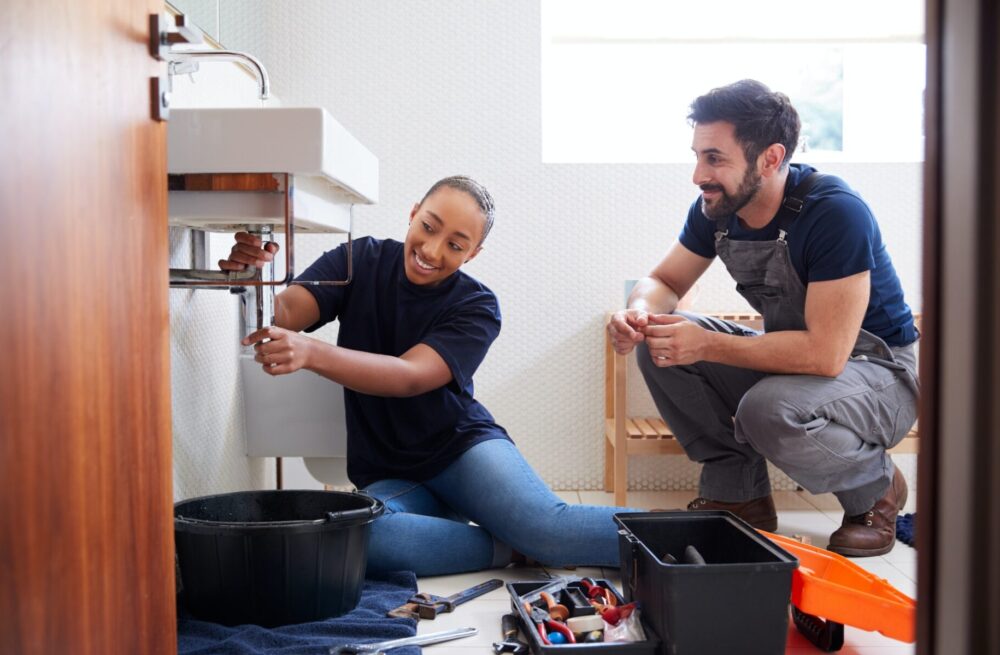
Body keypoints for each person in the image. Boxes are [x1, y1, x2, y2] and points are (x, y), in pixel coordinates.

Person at [224, 175, 637, 576]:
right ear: (413, 212)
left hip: (462, 451)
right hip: (389, 471)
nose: (433, 251)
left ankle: (685, 534)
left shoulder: (477, 305)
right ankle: (509, 546)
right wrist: (253, 277)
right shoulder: (358, 260)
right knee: (363, 534)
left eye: (456, 245)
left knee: (548, 529)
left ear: (472, 254)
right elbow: (288, 311)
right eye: (428, 227)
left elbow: (409, 376)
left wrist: (312, 352)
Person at [607, 80, 919, 557]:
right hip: (800, 363)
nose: (698, 174)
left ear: (771, 158)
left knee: (766, 408)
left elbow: (826, 354)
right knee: (661, 344)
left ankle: (874, 490)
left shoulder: (835, 213)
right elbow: (665, 282)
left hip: (880, 373)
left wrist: (707, 344)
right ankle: (742, 496)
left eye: (715, 158)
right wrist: (640, 313)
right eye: (697, 155)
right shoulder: (718, 207)